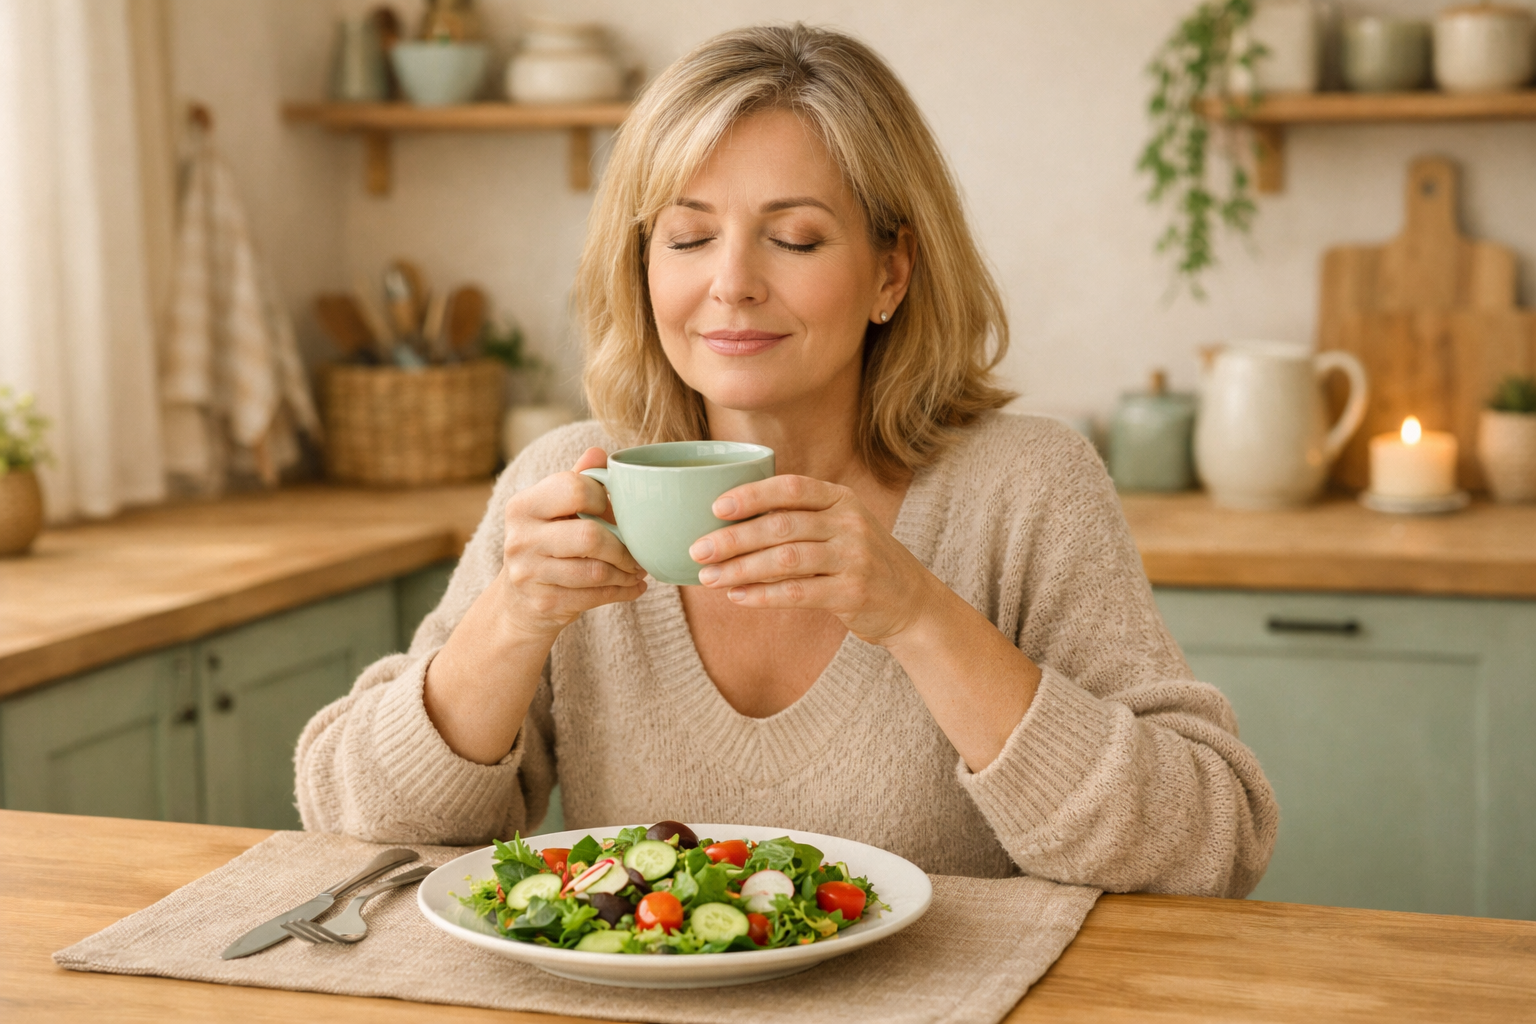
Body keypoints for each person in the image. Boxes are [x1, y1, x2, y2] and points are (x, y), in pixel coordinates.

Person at [296, 24, 1276, 896]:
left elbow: (1209, 842)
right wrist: (511, 620)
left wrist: (918, 613)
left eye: (795, 238)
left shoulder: (1026, 486)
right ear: (642, 266)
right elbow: (354, 820)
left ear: (892, 270)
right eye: (687, 235)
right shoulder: (572, 478)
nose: (730, 285)